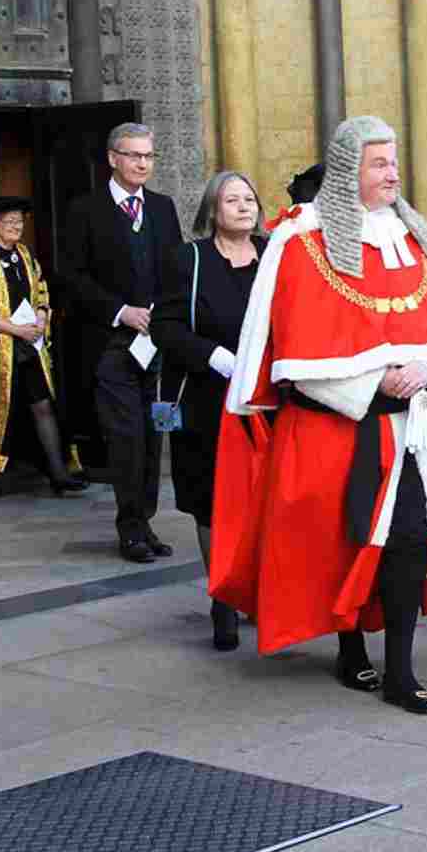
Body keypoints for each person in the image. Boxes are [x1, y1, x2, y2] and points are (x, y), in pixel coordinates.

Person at [214, 115, 427, 715]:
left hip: (410, 428)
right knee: (346, 544)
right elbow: (297, 351)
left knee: (409, 541)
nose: (393, 174)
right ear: (346, 172)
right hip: (336, 430)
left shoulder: (410, 238)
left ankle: (401, 671)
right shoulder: (302, 243)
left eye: (394, 162)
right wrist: (372, 380)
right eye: (379, 164)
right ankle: (350, 647)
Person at [152, 171, 266, 652]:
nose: (243, 207)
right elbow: (164, 326)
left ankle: (258, 592)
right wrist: (213, 356)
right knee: (212, 502)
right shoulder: (189, 258)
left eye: (249, 199)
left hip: (265, 400)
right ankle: (223, 598)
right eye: (232, 200)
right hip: (205, 400)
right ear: (212, 211)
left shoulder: (275, 257)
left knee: (264, 499)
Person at [61, 122, 184, 562]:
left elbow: (175, 270)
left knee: (152, 436)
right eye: (134, 155)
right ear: (113, 158)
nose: (142, 163)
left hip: (156, 344)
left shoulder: (163, 208)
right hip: (111, 345)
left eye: (148, 156)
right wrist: (120, 311)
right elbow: (71, 276)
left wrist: (165, 316)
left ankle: (145, 522)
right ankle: (130, 529)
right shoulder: (85, 210)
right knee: (126, 437)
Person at [0, 196, 86, 497]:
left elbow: (41, 291)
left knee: (43, 405)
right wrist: (17, 330)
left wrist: (41, 317)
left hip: (30, 348)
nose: (17, 226)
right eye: (10, 221)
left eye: (19, 221)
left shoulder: (25, 256)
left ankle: (58, 472)